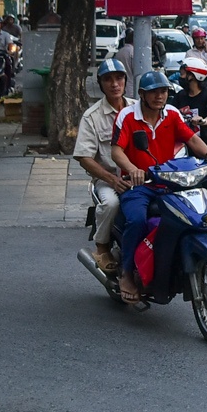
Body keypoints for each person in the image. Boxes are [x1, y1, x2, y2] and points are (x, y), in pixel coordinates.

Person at [111, 70, 207, 302]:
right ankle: (127, 272)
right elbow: (116, 151)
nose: (160, 96)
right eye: (154, 92)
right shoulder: (127, 116)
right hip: (139, 185)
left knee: (193, 212)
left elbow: (191, 139)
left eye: (163, 91)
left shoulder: (172, 114)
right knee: (137, 220)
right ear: (142, 94)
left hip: (169, 182)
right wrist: (133, 169)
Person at [73, 59, 134, 273]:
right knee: (111, 204)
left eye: (119, 78)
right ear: (100, 84)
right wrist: (113, 180)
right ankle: (102, 247)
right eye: (108, 79)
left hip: (141, 176)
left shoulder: (139, 108)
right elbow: (84, 156)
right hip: (108, 179)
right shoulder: (92, 116)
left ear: (125, 80)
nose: (114, 84)